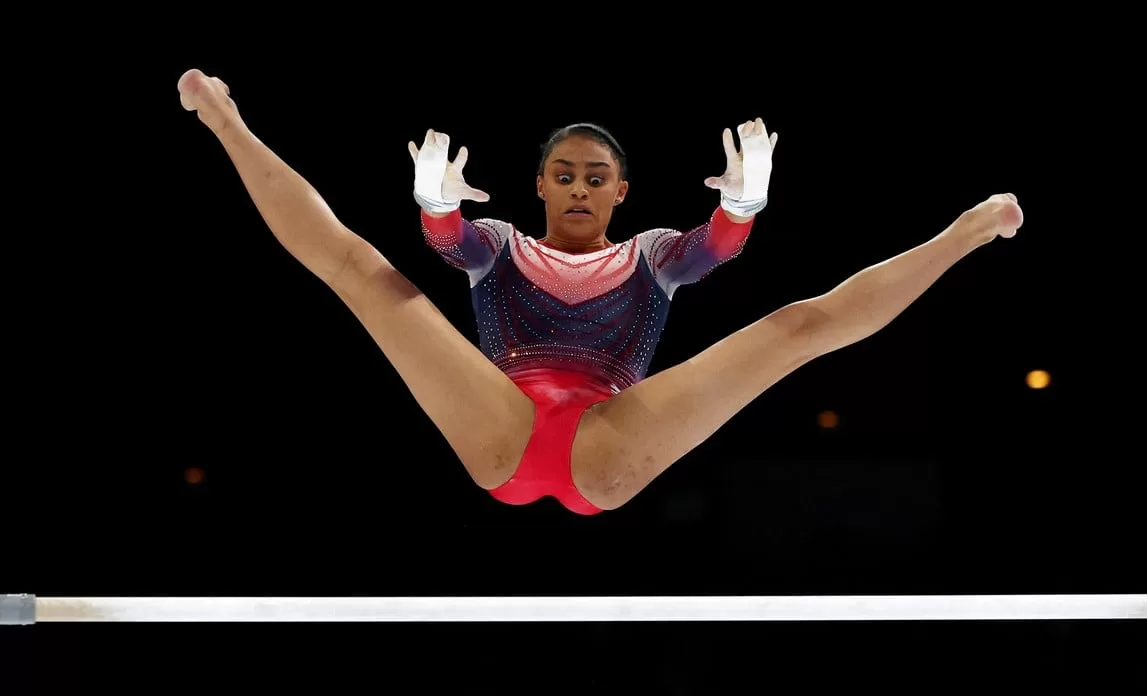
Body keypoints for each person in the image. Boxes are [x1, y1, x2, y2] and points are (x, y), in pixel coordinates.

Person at [177, 68, 1024, 516]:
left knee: (794, 329)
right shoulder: (498, 247)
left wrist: (740, 205)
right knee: (361, 273)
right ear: (538, 185)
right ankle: (227, 122)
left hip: (610, 446)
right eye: (563, 175)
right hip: (502, 432)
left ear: (621, 191)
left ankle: (962, 235)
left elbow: (714, 251)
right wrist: (435, 204)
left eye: (596, 177)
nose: (579, 188)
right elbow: (448, 242)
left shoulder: (654, 255)